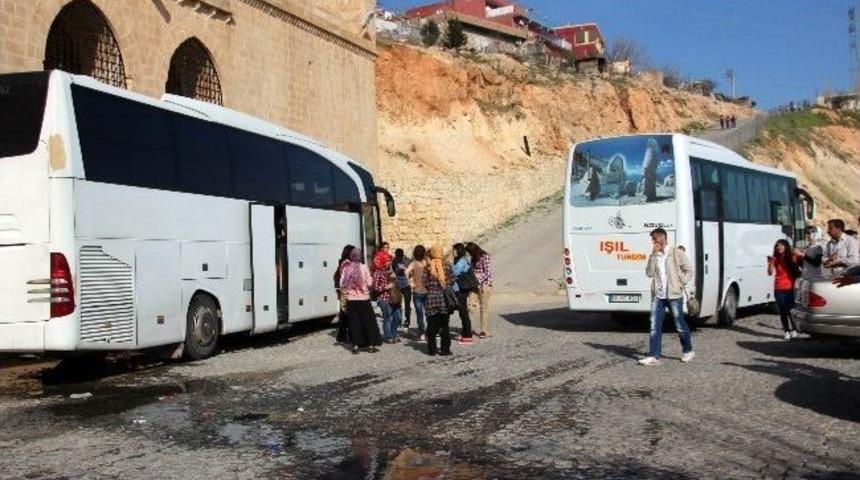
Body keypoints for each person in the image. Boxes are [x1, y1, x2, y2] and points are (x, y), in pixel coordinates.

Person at [638, 228, 695, 365]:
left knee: (679, 324)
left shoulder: (676, 252)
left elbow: (689, 269)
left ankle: (688, 350)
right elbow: (649, 273)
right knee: (654, 325)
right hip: (658, 295)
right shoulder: (655, 255)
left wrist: (681, 282)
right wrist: (652, 255)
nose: (654, 241)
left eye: (655, 238)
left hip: (674, 294)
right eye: (652, 239)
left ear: (663, 237)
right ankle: (654, 355)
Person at [338, 247, 383, 354]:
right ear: (359, 256)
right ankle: (371, 344)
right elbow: (369, 283)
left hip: (351, 299)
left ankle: (356, 345)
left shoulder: (346, 268)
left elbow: (341, 284)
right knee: (369, 321)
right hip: (364, 298)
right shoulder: (364, 267)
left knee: (354, 322)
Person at [423, 245, 454, 356]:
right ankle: (445, 350)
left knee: (432, 327)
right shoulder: (447, 266)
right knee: (444, 327)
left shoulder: (428, 267)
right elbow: (452, 281)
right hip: (444, 301)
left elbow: (425, 283)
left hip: (431, 301)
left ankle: (432, 350)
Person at [767, 239, 801, 340]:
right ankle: (786, 331)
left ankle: (794, 330)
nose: (779, 247)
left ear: (785, 246)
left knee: (790, 309)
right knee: (782, 311)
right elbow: (769, 273)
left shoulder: (790, 257)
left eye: (781, 245)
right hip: (778, 287)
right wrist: (770, 263)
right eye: (777, 246)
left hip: (789, 287)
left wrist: (798, 253)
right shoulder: (774, 259)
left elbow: (798, 263)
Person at [466, 242, 493, 339]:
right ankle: (468, 328)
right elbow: (472, 270)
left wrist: (478, 281)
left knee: (483, 308)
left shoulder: (485, 256)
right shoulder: (473, 258)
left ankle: (483, 331)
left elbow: (487, 272)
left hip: (484, 285)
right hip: (474, 285)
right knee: (470, 306)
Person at [373, 254, 401, 343]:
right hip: (384, 299)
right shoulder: (378, 274)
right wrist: (386, 287)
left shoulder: (391, 272)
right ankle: (388, 336)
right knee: (388, 318)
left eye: (389, 262)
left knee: (398, 317)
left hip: (394, 298)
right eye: (386, 262)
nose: (388, 263)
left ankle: (393, 333)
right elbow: (375, 288)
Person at [451, 243, 474, 345]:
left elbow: (454, 273)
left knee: (463, 312)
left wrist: (449, 267)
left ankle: (468, 335)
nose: (453, 252)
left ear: (458, 250)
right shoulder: (461, 260)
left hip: (461, 290)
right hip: (459, 289)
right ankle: (465, 332)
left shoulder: (461, 261)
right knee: (462, 312)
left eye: (454, 250)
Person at [406, 245, 429, 340]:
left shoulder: (413, 263)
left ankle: (422, 333)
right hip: (427, 291)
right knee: (428, 313)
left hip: (417, 291)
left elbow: (406, 272)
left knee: (419, 314)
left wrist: (411, 283)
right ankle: (429, 332)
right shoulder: (426, 263)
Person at [334, 244, 355, 344]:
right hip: (347, 291)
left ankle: (342, 336)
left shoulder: (342, 262)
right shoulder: (346, 263)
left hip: (344, 291)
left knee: (345, 315)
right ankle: (350, 336)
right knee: (349, 315)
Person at [392, 248, 412, 329]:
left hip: (406, 285)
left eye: (399, 256)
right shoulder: (394, 261)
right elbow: (393, 269)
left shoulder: (407, 261)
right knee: (397, 303)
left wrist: (405, 269)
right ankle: (398, 320)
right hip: (398, 284)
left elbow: (411, 273)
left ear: (402, 255)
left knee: (407, 304)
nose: (398, 258)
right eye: (397, 256)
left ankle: (407, 320)